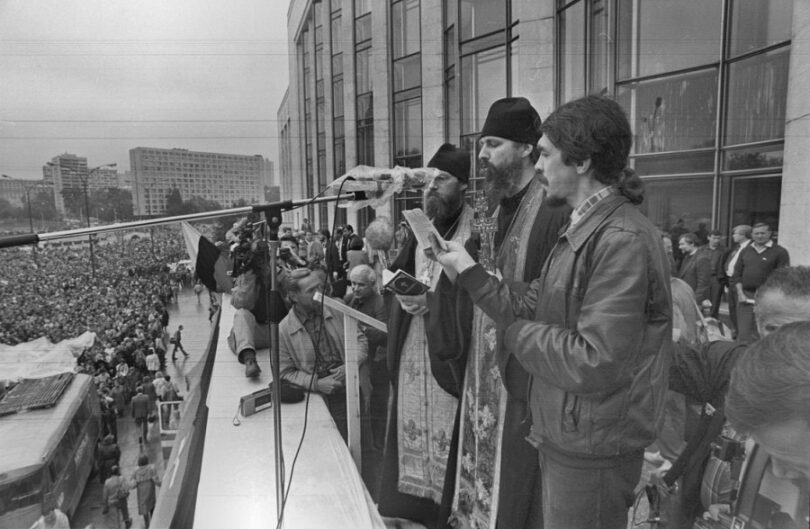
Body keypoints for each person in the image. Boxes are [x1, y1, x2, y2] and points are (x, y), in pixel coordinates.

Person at [431, 95, 671, 529]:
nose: (539, 167)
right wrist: (467, 271)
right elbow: (532, 299)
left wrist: (515, 336)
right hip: (572, 427)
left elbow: (595, 359)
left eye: (544, 153)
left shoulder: (620, 239)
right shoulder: (585, 226)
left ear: (580, 162)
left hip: (595, 438)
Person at [433, 96, 571, 529]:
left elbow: (551, 298)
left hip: (522, 374)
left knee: (516, 489)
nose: (481, 155)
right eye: (481, 144)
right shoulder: (491, 208)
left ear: (528, 148)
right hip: (482, 367)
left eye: (492, 143)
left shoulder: (554, 209)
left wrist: (472, 274)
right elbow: (476, 271)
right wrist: (450, 267)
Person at [377, 143, 475, 527]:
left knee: (450, 431)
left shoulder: (476, 229)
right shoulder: (420, 227)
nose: (433, 186)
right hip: (412, 349)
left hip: (447, 353)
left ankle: (445, 510)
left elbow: (477, 295)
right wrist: (401, 293)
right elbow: (395, 277)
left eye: (444, 179)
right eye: (430, 179)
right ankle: (413, 508)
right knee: (409, 423)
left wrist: (434, 305)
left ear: (464, 185)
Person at [278, 267, 367, 440]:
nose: (319, 293)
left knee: (363, 443)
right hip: (317, 400)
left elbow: (361, 340)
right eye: (311, 290)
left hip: (350, 389)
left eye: (319, 287)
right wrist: (317, 383)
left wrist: (349, 366)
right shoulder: (283, 330)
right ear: (293, 296)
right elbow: (285, 372)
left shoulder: (337, 307)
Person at [731, 222, 790, 343]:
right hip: (745, 297)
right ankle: (743, 359)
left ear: (770, 234)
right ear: (751, 235)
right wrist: (740, 293)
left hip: (767, 297)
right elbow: (737, 274)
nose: (759, 236)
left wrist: (766, 294)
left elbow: (782, 277)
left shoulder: (780, 252)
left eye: (763, 233)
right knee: (743, 333)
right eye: (756, 233)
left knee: (763, 333)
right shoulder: (746, 250)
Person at [720, 224, 752, 337]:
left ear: (744, 235)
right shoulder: (737, 247)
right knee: (732, 308)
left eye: (735, 233)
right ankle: (736, 331)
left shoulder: (749, 247)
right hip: (730, 280)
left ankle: (740, 333)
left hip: (740, 281)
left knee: (739, 309)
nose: (733, 236)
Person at [676, 233, 712, 307]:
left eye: (682, 244)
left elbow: (703, 284)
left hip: (694, 301)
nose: (679, 247)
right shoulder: (686, 257)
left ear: (692, 244)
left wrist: (695, 301)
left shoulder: (702, 258)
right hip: (685, 298)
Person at [130, 453, 162, 528]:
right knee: (152, 507)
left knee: (144, 509)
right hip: (150, 493)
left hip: (141, 496)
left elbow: (132, 485)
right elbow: (156, 480)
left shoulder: (135, 471)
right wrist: (161, 484)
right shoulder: (151, 468)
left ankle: (147, 524)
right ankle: (154, 523)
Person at [704, 229, 727, 319]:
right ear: (709, 237)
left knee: (715, 301)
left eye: (718, 238)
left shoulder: (725, 250)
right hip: (704, 277)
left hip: (716, 278)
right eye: (714, 238)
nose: (716, 240)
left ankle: (713, 319)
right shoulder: (702, 249)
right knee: (702, 299)